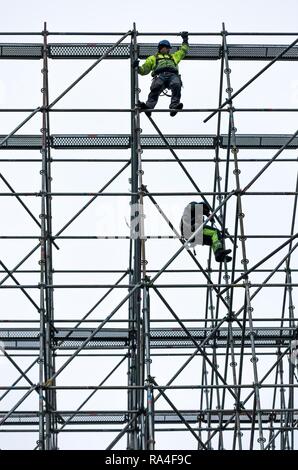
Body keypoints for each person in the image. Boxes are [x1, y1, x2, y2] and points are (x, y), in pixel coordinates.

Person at [133, 32, 189, 117]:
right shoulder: (153, 58)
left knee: (176, 84)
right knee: (156, 87)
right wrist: (138, 68)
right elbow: (145, 69)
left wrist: (185, 40)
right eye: (163, 47)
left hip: (172, 75)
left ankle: (174, 106)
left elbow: (183, 51)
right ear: (159, 48)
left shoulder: (173, 56)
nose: (165, 49)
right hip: (160, 75)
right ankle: (149, 107)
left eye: (167, 47)